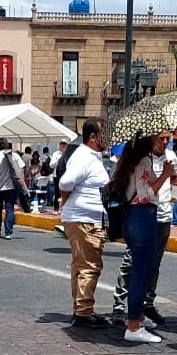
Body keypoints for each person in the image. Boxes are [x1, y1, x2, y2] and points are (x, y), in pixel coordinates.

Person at [107, 133, 176, 343]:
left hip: (130, 219)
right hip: (142, 217)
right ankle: (134, 325)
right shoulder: (144, 160)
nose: (161, 142)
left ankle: (138, 317)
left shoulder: (126, 161)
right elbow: (145, 195)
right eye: (157, 138)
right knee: (141, 273)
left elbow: (140, 186)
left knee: (138, 270)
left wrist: (165, 173)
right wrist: (165, 175)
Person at [59, 117, 110, 328]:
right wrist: (64, 199)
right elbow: (65, 181)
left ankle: (82, 308)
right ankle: (83, 313)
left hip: (84, 218)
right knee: (89, 266)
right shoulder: (85, 157)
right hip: (85, 220)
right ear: (93, 137)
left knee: (81, 266)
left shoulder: (91, 156)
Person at [0, 139, 24, 240]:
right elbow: (22, 168)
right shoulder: (14, 156)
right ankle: (8, 232)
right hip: (12, 187)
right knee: (10, 209)